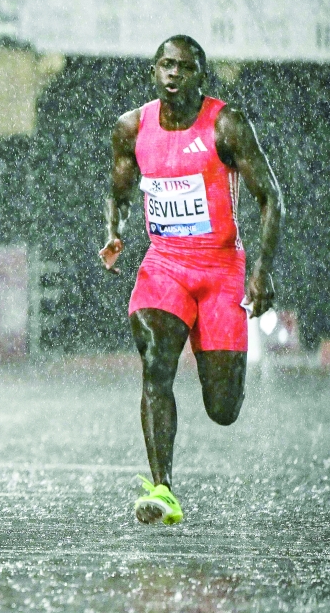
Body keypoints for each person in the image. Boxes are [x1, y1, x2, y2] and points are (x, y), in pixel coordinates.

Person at [99, 35, 282, 525]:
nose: (172, 74)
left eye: (183, 66)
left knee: (223, 408)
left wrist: (260, 269)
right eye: (164, 64)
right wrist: (114, 232)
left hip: (221, 269)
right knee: (155, 359)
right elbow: (116, 190)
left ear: (200, 75)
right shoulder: (131, 127)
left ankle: (219, 388)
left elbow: (272, 199)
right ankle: (162, 488)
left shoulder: (227, 125)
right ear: (154, 72)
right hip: (164, 265)